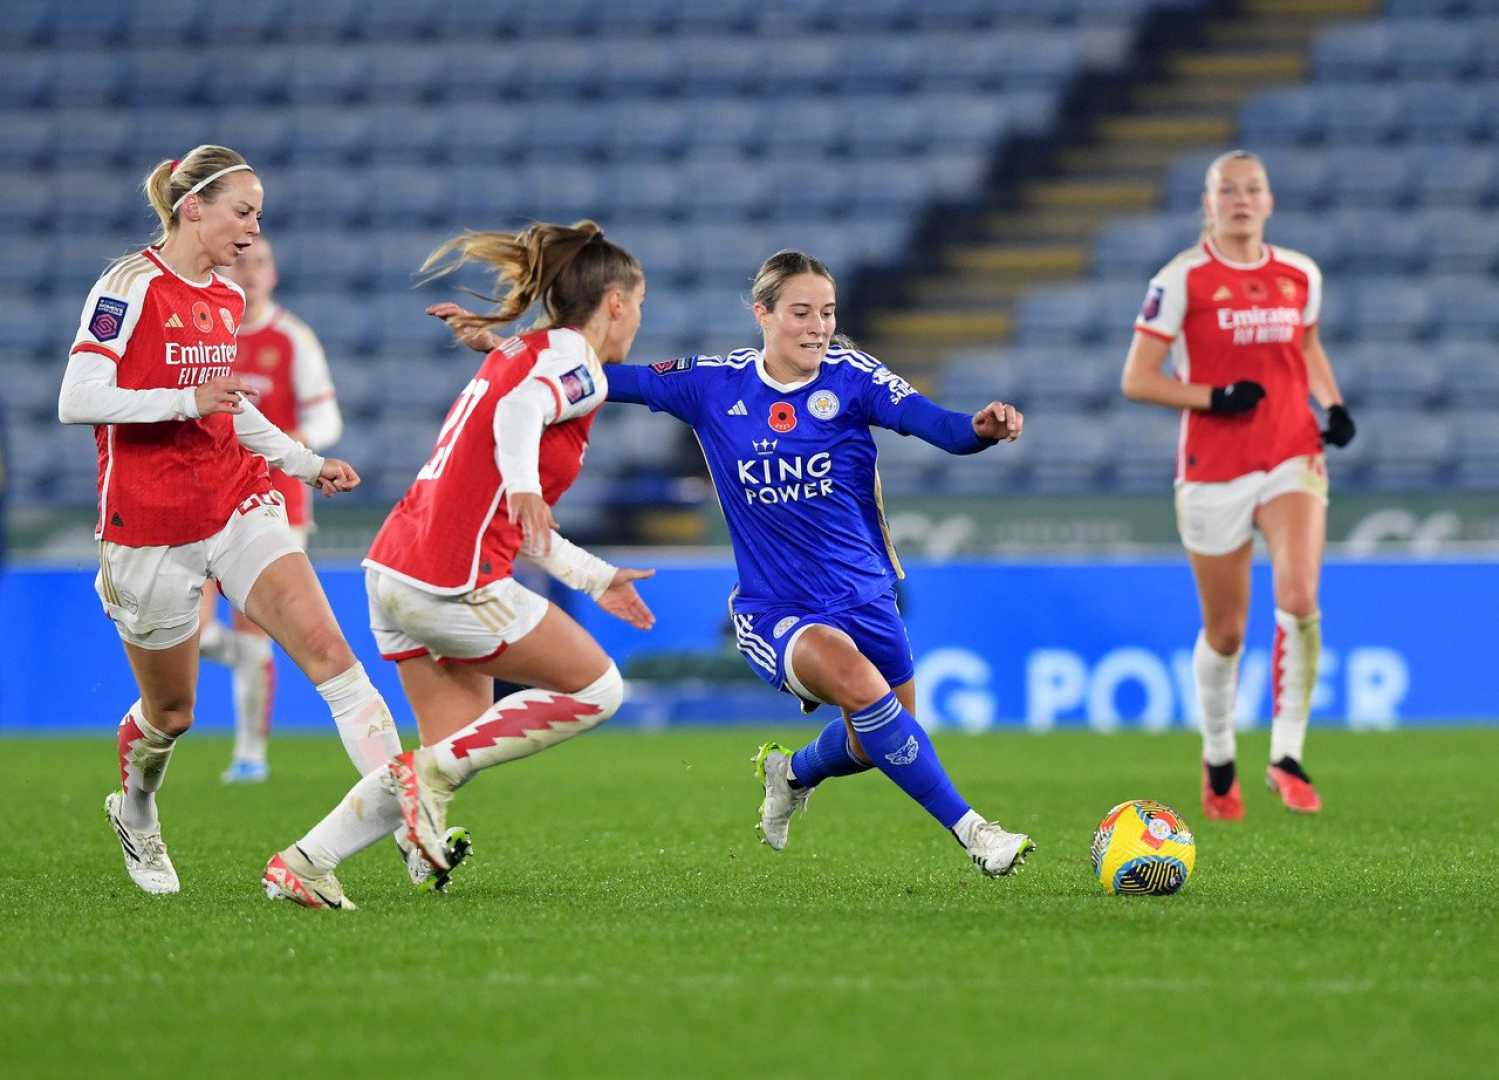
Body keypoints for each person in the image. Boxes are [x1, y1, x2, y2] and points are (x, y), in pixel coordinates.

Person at [262, 220, 656, 910]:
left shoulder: (523, 353)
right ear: (616, 302)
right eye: (639, 306)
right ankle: (427, 792)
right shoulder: (576, 367)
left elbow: (520, 519)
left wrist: (597, 578)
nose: (637, 322)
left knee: (446, 752)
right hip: (450, 581)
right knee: (597, 690)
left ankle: (305, 862)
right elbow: (520, 414)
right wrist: (528, 484)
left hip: (394, 569)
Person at [607, 250, 1035, 879]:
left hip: (866, 596)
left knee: (877, 741)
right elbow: (619, 380)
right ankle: (977, 832)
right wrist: (518, 357)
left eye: (828, 313)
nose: (818, 327)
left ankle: (791, 772)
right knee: (863, 689)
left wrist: (981, 427)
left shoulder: (853, 377)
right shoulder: (713, 384)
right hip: (776, 608)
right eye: (801, 312)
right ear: (763, 313)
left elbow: (937, 426)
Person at [59, 144, 405, 895]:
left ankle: (411, 816)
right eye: (243, 213)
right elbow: (77, 398)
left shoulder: (225, 297)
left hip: (239, 502)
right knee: (172, 712)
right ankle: (138, 811)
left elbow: (229, 406)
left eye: (259, 217)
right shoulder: (127, 287)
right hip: (148, 523)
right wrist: (182, 402)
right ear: (194, 209)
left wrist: (305, 463)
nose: (251, 232)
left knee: (334, 660)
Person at [1120, 149, 1356, 821]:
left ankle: (1286, 755)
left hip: (1290, 453)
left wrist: (1330, 405)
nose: (1241, 200)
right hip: (1212, 469)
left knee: (1299, 596)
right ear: (1208, 204)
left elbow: (1305, 345)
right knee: (1225, 632)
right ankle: (1218, 755)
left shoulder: (1298, 274)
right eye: (1227, 191)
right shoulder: (1181, 280)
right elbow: (1136, 377)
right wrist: (1212, 396)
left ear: (1270, 200)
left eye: (1252, 189)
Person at [198, 237, 345, 784]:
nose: (249, 270)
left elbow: (328, 420)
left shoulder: (292, 339)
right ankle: (246, 659)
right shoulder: (204, 332)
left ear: (274, 274)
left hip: (275, 502)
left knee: (254, 625)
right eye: (239, 259)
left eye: (259, 262)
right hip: (202, 499)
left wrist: (294, 444)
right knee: (190, 631)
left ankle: (250, 754)